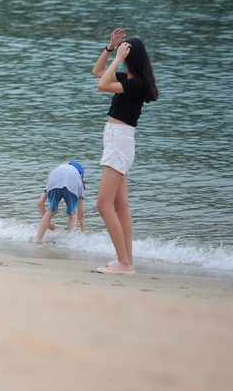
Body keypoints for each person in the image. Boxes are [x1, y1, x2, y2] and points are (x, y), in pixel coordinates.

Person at [91, 29, 159, 275]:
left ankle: (124, 263)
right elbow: (98, 72)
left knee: (103, 204)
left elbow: (102, 85)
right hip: (119, 140)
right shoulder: (128, 80)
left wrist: (118, 57)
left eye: (125, 53)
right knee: (120, 204)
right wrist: (110, 48)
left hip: (119, 141)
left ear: (131, 57)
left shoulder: (136, 84)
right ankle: (127, 261)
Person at [33, 162, 87, 244]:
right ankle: (73, 242)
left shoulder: (57, 172)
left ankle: (37, 239)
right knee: (72, 213)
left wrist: (48, 223)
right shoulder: (78, 179)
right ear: (81, 175)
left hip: (53, 180)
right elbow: (81, 214)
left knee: (51, 210)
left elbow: (40, 203)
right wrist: (84, 233)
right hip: (72, 181)